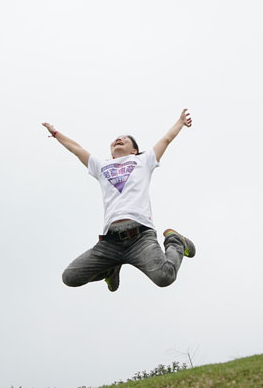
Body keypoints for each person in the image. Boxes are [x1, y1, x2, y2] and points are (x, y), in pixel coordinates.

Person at [42, 109, 196, 293]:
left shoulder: (144, 161)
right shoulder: (101, 166)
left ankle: (176, 242)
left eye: (125, 138)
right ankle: (110, 269)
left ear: (134, 150)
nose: (118, 139)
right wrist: (56, 133)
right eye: (115, 139)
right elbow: (76, 149)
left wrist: (179, 122)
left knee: (165, 277)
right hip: (110, 243)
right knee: (70, 278)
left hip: (140, 238)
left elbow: (166, 140)